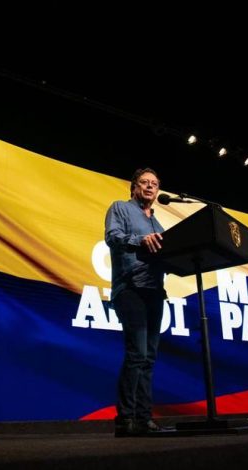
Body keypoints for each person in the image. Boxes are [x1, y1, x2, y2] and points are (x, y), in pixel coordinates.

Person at [105, 167, 168, 437]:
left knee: (149, 358)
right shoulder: (120, 208)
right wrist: (140, 240)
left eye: (154, 183)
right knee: (137, 354)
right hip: (130, 289)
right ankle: (125, 419)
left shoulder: (159, 225)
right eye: (144, 182)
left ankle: (144, 418)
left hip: (155, 292)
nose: (150, 186)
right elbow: (112, 237)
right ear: (134, 187)